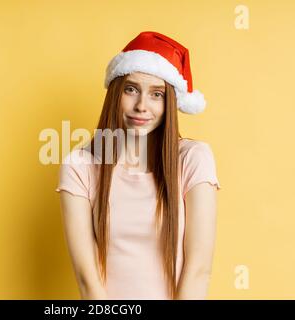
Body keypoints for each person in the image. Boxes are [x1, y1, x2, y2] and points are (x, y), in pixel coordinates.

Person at [55, 31, 222, 300]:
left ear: (170, 103)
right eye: (131, 90)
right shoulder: (80, 166)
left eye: (157, 94)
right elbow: (88, 280)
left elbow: (199, 269)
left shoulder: (193, 158)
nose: (142, 106)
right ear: (115, 93)